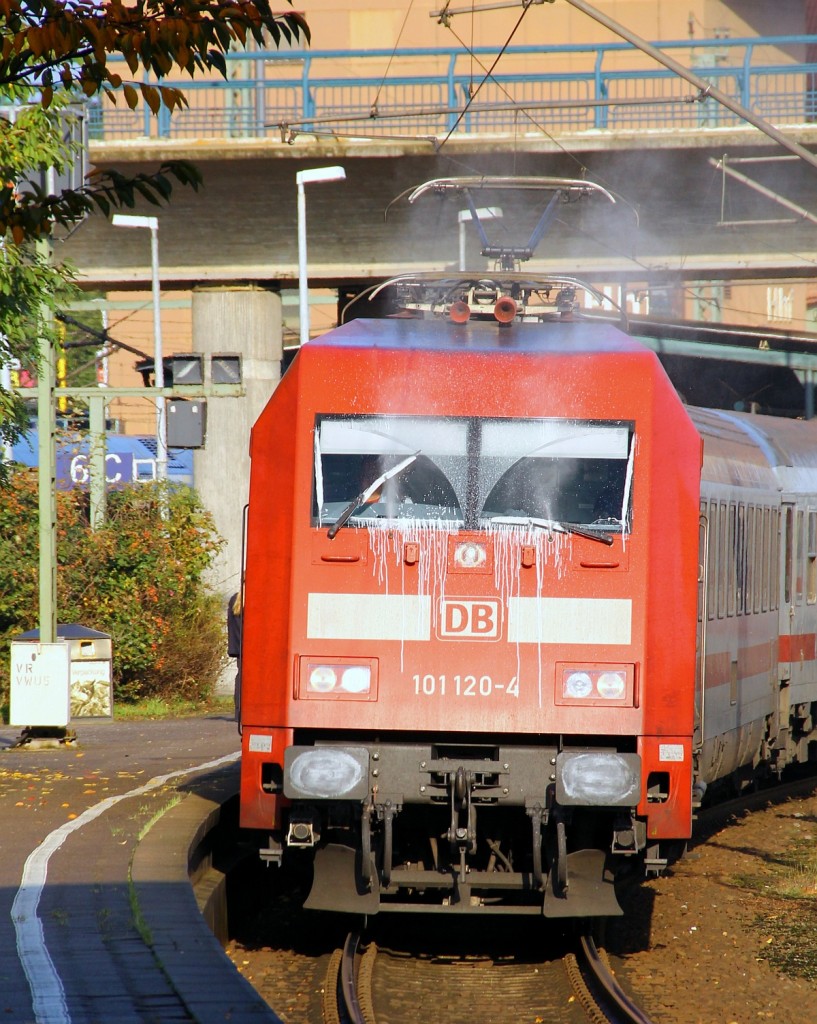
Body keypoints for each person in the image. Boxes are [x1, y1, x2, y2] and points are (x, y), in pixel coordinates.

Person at [227, 591, 243, 728]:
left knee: (241, 677)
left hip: (239, 647)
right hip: (251, 646)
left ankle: (239, 712)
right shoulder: (254, 598)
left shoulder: (235, 599)